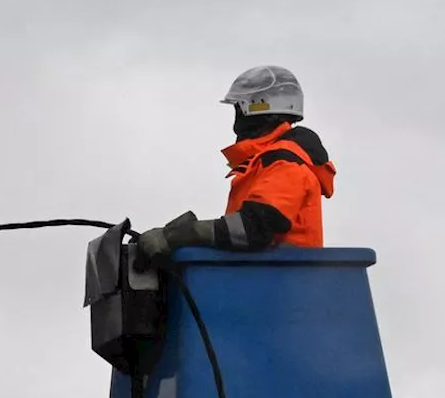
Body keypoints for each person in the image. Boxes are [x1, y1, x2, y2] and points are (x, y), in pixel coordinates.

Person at [135, 65, 336, 268]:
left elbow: (253, 229)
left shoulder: (285, 163)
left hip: (281, 286)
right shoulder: (266, 162)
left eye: (239, 110)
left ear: (261, 110)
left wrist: (181, 236)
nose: (236, 121)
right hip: (265, 280)